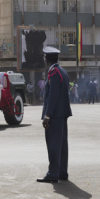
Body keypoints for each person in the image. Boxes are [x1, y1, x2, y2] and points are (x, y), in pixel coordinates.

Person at [37, 47, 72, 183]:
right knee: (62, 145)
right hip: (62, 113)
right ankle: (62, 172)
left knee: (53, 145)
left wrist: (47, 115)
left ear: (47, 59)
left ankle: (53, 174)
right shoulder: (63, 71)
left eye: (45, 58)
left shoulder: (54, 72)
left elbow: (53, 95)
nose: (44, 60)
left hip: (55, 115)